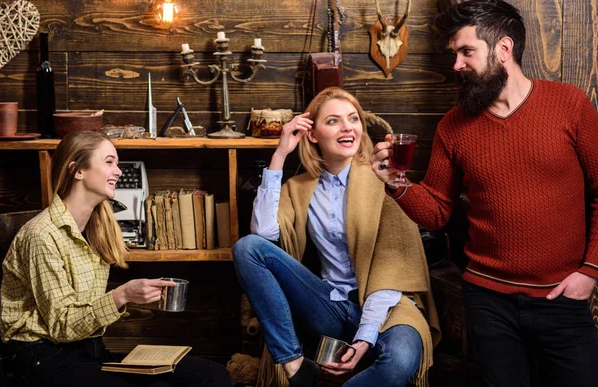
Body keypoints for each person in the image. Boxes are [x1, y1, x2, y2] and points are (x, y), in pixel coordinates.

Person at [371, 1, 598, 386]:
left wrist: (591, 271)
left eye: (466, 51)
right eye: (454, 54)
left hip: (563, 298)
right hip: (487, 301)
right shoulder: (453, 126)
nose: (457, 64)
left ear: (503, 49)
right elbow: (438, 211)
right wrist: (396, 183)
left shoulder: (570, 105)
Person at [233, 87, 440, 387]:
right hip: (331, 305)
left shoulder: (385, 179)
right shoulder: (299, 188)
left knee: (400, 361)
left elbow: (392, 272)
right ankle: (293, 365)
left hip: (389, 308)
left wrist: (365, 339)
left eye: (353, 118)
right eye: (333, 121)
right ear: (312, 134)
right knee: (248, 247)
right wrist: (279, 155)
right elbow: (263, 235)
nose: (347, 127)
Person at [0, 131, 232, 387]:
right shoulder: (42, 234)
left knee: (213, 375)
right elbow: (62, 326)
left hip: (90, 351)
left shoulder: (98, 229)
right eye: (109, 162)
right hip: (43, 358)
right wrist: (122, 295)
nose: (119, 171)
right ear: (78, 170)